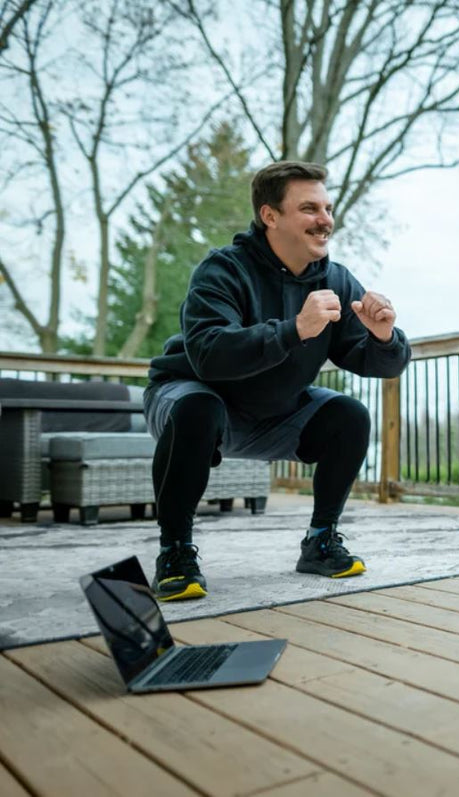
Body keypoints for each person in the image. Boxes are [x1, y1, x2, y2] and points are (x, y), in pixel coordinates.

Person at [144, 161, 411, 601]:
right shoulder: (223, 270)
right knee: (199, 406)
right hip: (193, 399)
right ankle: (175, 553)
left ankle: (321, 542)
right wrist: (294, 330)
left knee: (349, 414)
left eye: (327, 207)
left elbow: (376, 361)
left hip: (273, 413)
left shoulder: (336, 280)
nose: (325, 220)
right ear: (270, 216)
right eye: (310, 208)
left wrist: (384, 336)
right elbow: (209, 353)